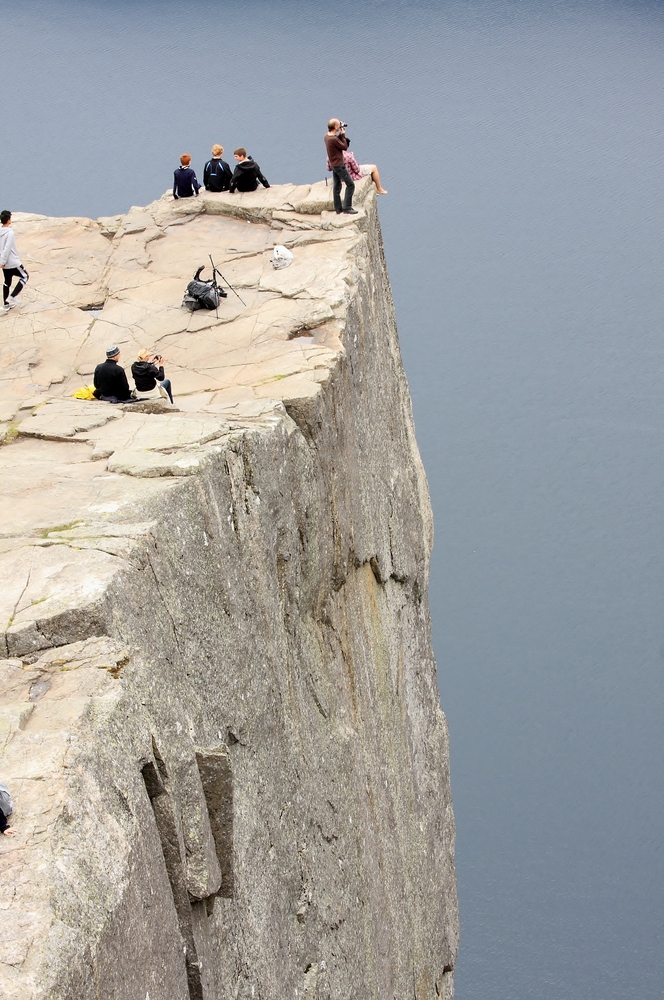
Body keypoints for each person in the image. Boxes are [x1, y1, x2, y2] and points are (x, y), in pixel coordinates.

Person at [324, 119, 357, 215]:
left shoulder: (327, 136)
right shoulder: (334, 139)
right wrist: (343, 135)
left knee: (337, 186)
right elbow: (344, 146)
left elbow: (336, 142)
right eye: (338, 125)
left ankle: (338, 209)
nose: (340, 126)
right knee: (350, 185)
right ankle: (347, 207)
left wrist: (339, 135)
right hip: (339, 165)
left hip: (333, 164)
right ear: (335, 127)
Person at [0, 210, 29, 313]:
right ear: (8, 220)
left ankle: (6, 305)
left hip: (4, 264)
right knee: (25, 276)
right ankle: (11, 297)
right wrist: (2, 261)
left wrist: (1, 262)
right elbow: (7, 248)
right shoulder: (10, 233)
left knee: (7, 282)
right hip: (12, 262)